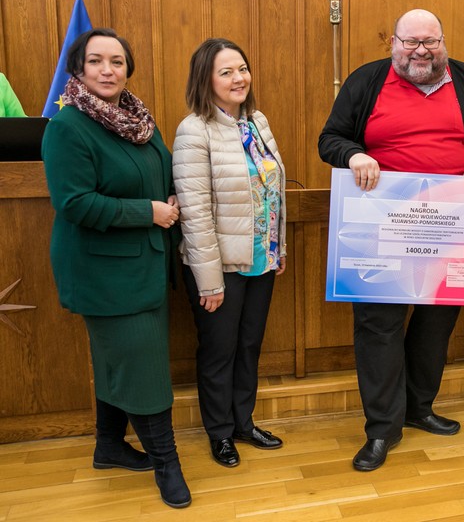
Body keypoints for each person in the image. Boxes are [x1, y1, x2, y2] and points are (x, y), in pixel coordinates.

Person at [318, 9, 464, 471]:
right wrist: (355, 153)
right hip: (382, 225)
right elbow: (330, 139)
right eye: (410, 42)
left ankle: (419, 407)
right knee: (378, 326)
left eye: (430, 42)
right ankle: (382, 429)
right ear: (394, 42)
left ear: (444, 42)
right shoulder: (366, 82)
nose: (421, 51)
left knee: (435, 322)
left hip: (453, 224)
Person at [42, 28, 190, 508]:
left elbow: (157, 174)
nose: (108, 70)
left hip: (146, 267)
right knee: (144, 371)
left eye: (118, 61)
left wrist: (168, 199)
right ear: (78, 69)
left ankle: (108, 447)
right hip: (104, 275)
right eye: (96, 61)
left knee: (120, 362)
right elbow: (75, 203)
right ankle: (167, 465)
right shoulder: (67, 126)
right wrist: (148, 211)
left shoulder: (139, 121)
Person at [173, 38, 287, 468]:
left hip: (260, 259)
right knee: (219, 352)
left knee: (249, 345)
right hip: (218, 266)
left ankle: (244, 422)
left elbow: (271, 190)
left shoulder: (257, 121)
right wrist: (209, 280)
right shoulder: (194, 129)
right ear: (206, 79)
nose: (239, 78)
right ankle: (219, 433)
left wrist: (278, 249)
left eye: (242, 68)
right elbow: (196, 213)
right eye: (226, 72)